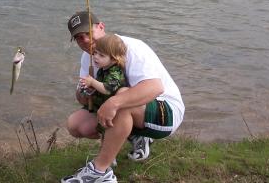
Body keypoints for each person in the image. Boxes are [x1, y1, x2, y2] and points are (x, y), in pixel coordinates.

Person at [61, 11, 185, 183]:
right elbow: (82, 99)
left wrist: (113, 102)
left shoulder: (130, 47)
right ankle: (135, 137)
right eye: (79, 38)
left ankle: (100, 172)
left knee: (120, 98)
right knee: (76, 125)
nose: (86, 41)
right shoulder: (87, 58)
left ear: (101, 27)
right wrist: (85, 92)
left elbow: (155, 88)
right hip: (133, 110)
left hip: (166, 112)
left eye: (88, 33)